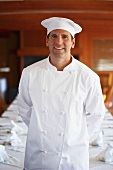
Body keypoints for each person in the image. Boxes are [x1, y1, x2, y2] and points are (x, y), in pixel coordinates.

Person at [17, 17, 105, 170]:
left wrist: (75, 137)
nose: (59, 42)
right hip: (38, 154)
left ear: (73, 42)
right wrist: (39, 129)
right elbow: (24, 108)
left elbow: (96, 115)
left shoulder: (87, 77)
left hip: (73, 155)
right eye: (54, 36)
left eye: (65, 37)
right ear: (47, 41)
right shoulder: (29, 73)